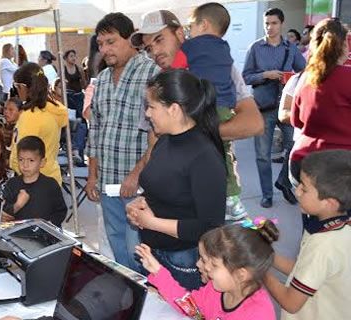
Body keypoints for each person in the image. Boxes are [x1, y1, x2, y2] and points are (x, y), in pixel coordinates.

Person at [134, 8, 264, 222]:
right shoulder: (157, 84)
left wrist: (191, 134)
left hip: (211, 194)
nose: (155, 52)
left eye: (159, 40)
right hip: (173, 201)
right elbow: (153, 143)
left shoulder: (220, 67)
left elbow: (253, 124)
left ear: (179, 34)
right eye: (149, 48)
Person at [127, 69, 226, 290]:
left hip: (183, 260)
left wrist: (151, 223)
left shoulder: (204, 156)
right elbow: (163, 189)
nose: (147, 114)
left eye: (152, 107)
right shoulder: (165, 141)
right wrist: (140, 204)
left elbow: (210, 226)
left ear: (174, 109)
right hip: (152, 253)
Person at [84, 13, 159, 271]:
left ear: (131, 40)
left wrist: (137, 174)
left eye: (111, 42)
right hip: (107, 184)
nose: (104, 49)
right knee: (117, 248)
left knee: (136, 248)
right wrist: (92, 176)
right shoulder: (102, 79)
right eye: (101, 43)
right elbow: (96, 130)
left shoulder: (152, 73)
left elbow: (158, 134)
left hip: (138, 187)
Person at [264, 150, 351, 320]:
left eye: (304, 188)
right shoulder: (338, 227)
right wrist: (266, 255)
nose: (297, 192)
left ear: (329, 203)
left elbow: (291, 302)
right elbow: (303, 269)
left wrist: (258, 270)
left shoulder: (323, 244)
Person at [136, 220, 278, 320]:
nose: (199, 264)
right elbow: (193, 309)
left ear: (240, 275)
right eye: (202, 259)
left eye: (211, 263)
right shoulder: (214, 289)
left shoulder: (258, 314)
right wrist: (158, 272)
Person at [290, 18, 351, 232]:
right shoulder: (348, 76)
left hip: (303, 162)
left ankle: (311, 260)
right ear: (344, 45)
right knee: (340, 234)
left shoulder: (307, 78)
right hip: (338, 169)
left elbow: (295, 121)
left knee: (314, 229)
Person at [242, 8, 306, 208]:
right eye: (267, 23)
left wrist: (293, 80)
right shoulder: (255, 48)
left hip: (286, 108)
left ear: (282, 24)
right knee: (262, 155)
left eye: (274, 23)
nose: (269, 27)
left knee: (294, 148)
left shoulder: (291, 48)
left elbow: (304, 73)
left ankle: (284, 182)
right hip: (263, 108)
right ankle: (267, 194)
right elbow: (246, 76)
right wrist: (265, 75)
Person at [10, 62, 68, 186]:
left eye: (17, 86)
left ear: (24, 87)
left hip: (33, 182)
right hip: (52, 177)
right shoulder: (54, 110)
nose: (16, 90)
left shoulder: (30, 116)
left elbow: (20, 155)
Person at [3, 136, 66, 227]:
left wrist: (50, 226)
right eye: (21, 160)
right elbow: (5, 214)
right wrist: (18, 205)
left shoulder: (50, 185)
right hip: (18, 235)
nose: (25, 165)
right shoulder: (12, 184)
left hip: (45, 235)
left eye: (31, 160)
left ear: (42, 162)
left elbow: (60, 211)